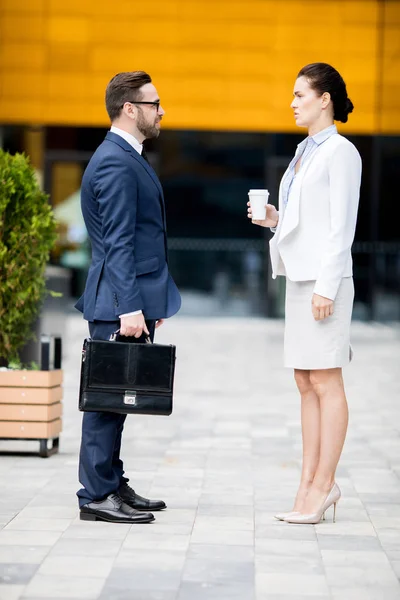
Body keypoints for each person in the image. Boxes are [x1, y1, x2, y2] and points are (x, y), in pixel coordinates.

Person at [248, 63, 361, 525]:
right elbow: (306, 219)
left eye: (300, 94)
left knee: (326, 381)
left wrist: (326, 287)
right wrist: (275, 218)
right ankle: (308, 484)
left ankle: (323, 486)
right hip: (299, 279)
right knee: (304, 382)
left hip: (324, 283)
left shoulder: (341, 152)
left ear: (325, 99)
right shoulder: (302, 152)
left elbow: (341, 228)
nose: (293, 102)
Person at [75, 71, 181, 524]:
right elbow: (118, 242)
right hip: (115, 303)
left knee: (118, 397)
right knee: (104, 401)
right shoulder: (117, 161)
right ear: (130, 109)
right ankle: (96, 495)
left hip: (122, 297)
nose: (162, 111)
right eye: (154, 103)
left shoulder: (126, 155)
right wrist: (129, 307)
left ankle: (111, 483)